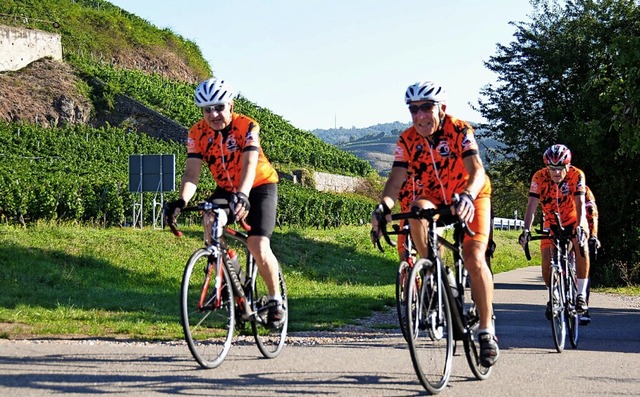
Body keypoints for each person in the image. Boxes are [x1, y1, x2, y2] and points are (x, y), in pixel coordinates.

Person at [371, 81, 499, 367]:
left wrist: (468, 194)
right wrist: (383, 206)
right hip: (435, 201)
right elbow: (396, 178)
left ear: (442, 108)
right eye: (413, 109)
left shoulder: (459, 130)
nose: (420, 116)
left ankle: (486, 330)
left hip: (471, 196)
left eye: (426, 107)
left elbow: (476, 170)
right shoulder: (407, 140)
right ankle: (431, 271)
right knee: (417, 209)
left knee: (474, 257)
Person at [164, 78, 284, 329]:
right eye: (207, 109)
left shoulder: (247, 125)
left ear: (231, 105)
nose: (214, 114)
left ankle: (275, 301)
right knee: (209, 220)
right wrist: (181, 200)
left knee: (258, 244)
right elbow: (192, 174)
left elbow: (250, 165)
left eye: (219, 107)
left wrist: (243, 195)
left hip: (259, 185)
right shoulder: (197, 133)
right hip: (226, 188)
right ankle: (233, 278)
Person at [518, 144, 590, 321]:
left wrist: (580, 226)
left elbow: (580, 202)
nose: (556, 173)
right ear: (546, 167)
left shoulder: (576, 175)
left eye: (560, 168)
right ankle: (553, 295)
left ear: (568, 165)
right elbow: (531, 206)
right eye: (552, 168)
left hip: (574, 219)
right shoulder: (539, 177)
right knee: (546, 258)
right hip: (551, 221)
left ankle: (581, 295)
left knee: (581, 246)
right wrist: (526, 229)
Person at [580, 185, 600, 325]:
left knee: (582, 262)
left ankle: (583, 306)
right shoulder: (552, 186)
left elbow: (592, 212)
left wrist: (593, 235)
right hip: (560, 227)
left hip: (581, 229)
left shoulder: (584, 189)